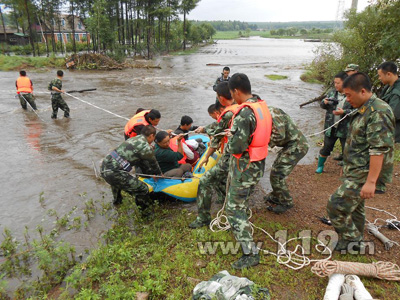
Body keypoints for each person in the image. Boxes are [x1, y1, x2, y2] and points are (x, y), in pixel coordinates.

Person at [327, 72, 395, 252]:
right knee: (356, 208)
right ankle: (354, 242)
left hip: (364, 172)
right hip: (355, 169)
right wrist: (347, 167)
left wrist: (371, 182)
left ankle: (353, 240)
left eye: (349, 95)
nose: (346, 99)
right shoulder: (363, 107)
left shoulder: (378, 112)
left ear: (363, 91)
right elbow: (358, 142)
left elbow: (378, 150)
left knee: (335, 205)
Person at [226, 73, 272, 269]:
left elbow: (236, 147)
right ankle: (241, 224)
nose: (233, 98)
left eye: (232, 94)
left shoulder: (245, 113)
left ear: (236, 91)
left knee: (233, 207)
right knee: (241, 202)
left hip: (244, 167)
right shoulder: (261, 106)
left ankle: (250, 253)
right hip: (257, 163)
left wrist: (229, 140)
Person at [189, 81, 238, 229]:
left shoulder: (229, 113)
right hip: (243, 156)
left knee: (204, 182)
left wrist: (203, 129)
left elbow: (217, 131)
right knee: (219, 178)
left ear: (221, 98)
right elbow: (217, 137)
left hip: (232, 156)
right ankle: (224, 200)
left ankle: (203, 217)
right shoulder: (242, 108)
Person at [100, 125, 162, 210]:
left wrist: (148, 174)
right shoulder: (145, 147)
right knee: (143, 189)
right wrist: (159, 175)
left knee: (116, 183)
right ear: (151, 135)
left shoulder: (134, 139)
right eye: (153, 138)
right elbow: (154, 164)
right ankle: (145, 214)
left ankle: (117, 204)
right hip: (115, 172)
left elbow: (141, 162)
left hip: (105, 166)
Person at [264, 107, 309, 214]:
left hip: (297, 146)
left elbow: (279, 135)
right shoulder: (266, 114)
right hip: (290, 145)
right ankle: (276, 195)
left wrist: (264, 145)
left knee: (277, 175)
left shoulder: (272, 113)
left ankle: (286, 202)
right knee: (276, 168)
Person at [316, 71, 353, 173]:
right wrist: (324, 102)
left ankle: (347, 170)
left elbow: (358, 110)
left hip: (345, 129)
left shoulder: (352, 94)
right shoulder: (332, 93)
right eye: (335, 83)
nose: (336, 85)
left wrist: (344, 112)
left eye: (338, 83)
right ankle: (320, 166)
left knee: (347, 150)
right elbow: (323, 106)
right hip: (331, 127)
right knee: (326, 148)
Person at [377, 61, 400, 143]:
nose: (379, 78)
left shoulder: (397, 92)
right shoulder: (387, 88)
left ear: (389, 74)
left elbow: (392, 115)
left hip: (395, 135)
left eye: (380, 76)